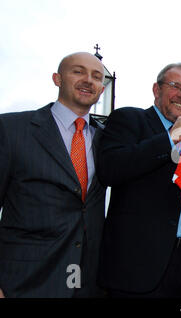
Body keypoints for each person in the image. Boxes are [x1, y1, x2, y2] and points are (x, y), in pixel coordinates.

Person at [0, 52, 107, 298]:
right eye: (78, 71)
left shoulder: (107, 140)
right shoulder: (11, 130)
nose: (88, 80)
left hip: (85, 284)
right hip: (22, 283)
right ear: (57, 79)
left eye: (97, 76)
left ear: (102, 90)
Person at [96, 63, 181, 298]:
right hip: (136, 269)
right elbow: (110, 169)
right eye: (176, 86)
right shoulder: (128, 118)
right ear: (156, 90)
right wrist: (170, 138)